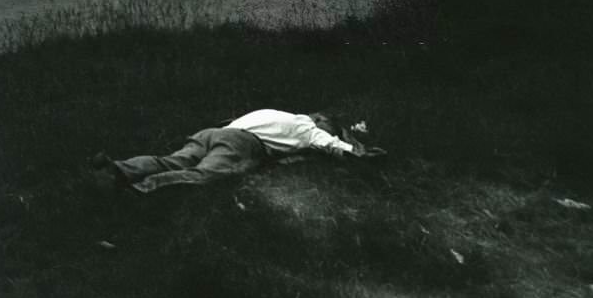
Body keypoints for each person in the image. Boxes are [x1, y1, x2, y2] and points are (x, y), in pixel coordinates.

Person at [93, 109, 385, 195]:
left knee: (170, 159)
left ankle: (118, 169)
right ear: (321, 123)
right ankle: (142, 189)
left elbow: (228, 120)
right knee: (206, 175)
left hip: (213, 132)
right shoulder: (307, 129)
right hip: (241, 143)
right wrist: (358, 151)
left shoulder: (273, 111)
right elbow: (331, 145)